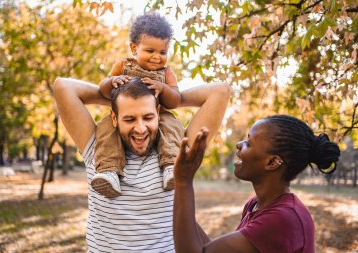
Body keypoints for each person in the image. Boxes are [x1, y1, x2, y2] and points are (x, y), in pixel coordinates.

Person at [53, 77, 230, 252]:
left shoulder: (178, 152)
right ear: (114, 118)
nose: (140, 128)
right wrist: (118, 98)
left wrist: (168, 98)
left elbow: (220, 91)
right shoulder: (97, 148)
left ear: (158, 113)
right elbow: (63, 87)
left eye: (148, 117)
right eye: (129, 119)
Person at [173, 115, 340, 253]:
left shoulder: (283, 219)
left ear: (272, 162)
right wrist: (172, 203)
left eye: (249, 143)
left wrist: (183, 181)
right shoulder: (256, 204)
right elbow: (210, 249)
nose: (239, 145)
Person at [93, 13, 183, 198]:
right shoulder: (123, 64)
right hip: (125, 115)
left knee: (172, 125)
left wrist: (163, 88)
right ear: (134, 48)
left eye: (163, 52)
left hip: (157, 115)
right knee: (105, 128)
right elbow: (102, 90)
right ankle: (109, 171)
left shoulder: (167, 74)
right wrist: (112, 81)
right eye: (150, 51)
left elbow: (176, 101)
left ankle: (170, 167)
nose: (157, 57)